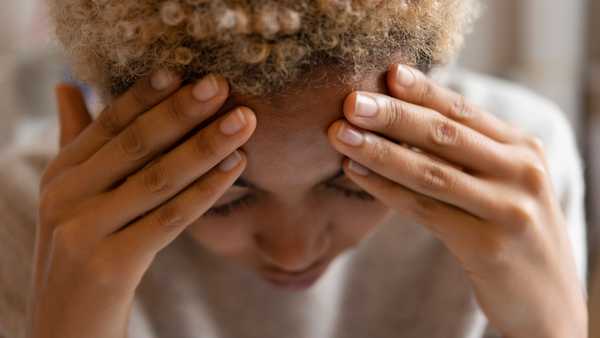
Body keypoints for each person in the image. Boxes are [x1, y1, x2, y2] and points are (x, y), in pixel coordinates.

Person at [0, 0, 588, 337]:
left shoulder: (512, 189)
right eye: (227, 196)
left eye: (355, 185)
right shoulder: (41, 218)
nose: (292, 251)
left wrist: (549, 325)